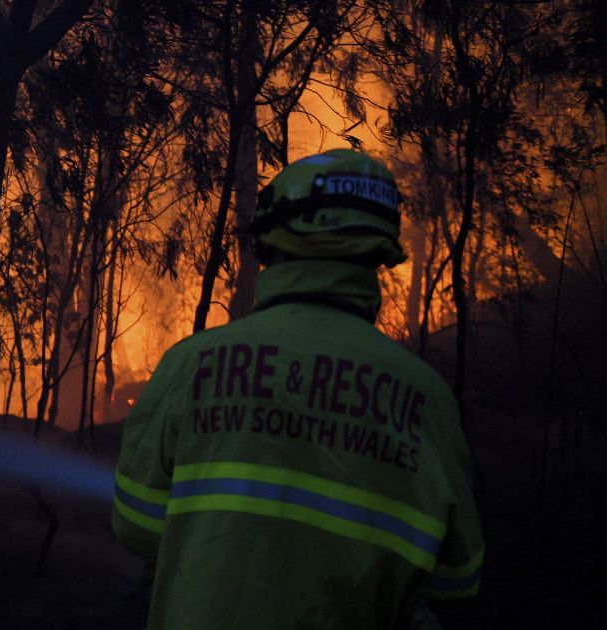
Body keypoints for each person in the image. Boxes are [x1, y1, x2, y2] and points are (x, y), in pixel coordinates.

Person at [111, 149, 483, 629]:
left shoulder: (191, 366)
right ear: (377, 254)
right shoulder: (426, 399)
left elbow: (136, 525)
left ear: (272, 244)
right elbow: (459, 579)